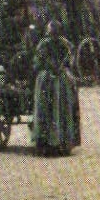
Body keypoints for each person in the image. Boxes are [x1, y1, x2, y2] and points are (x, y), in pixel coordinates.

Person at [31, 20, 81, 157]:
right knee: (64, 109)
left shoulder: (43, 44)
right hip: (63, 79)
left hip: (47, 79)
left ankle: (47, 142)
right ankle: (63, 141)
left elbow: (36, 64)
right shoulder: (66, 44)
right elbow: (71, 60)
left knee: (45, 109)